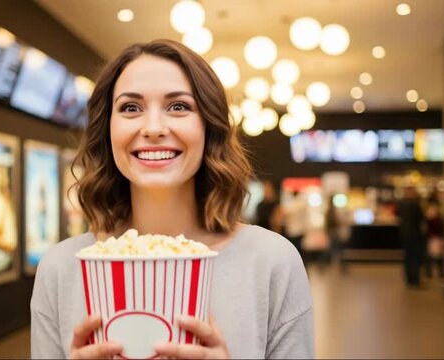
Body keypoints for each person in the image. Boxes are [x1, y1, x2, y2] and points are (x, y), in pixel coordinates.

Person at [30, 39, 313, 359]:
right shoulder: (61, 268)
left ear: (209, 127)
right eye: (130, 108)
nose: (153, 128)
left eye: (178, 106)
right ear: (107, 131)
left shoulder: (271, 262)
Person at [396, 186, 426, 288]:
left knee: (407, 257)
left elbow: (398, 217)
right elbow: (422, 219)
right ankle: (415, 280)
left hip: (404, 235)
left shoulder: (401, 204)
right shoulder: (415, 204)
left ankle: (409, 280)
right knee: (415, 258)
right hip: (415, 235)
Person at [319, 194, 349, 273]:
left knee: (335, 250)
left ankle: (343, 266)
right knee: (336, 250)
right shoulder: (330, 211)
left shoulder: (330, 210)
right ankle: (343, 266)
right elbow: (333, 222)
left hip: (332, 232)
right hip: (333, 232)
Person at [424, 198, 444, 279]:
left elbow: (442, 228)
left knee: (440, 257)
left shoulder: (440, 217)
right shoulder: (428, 217)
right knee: (430, 257)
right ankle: (429, 273)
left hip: (438, 238)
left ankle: (441, 272)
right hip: (432, 239)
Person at [284, 190, 307, 255]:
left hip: (292, 230)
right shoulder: (302, 204)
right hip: (300, 230)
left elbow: (286, 216)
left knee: (293, 248)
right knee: (299, 248)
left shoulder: (291, 205)